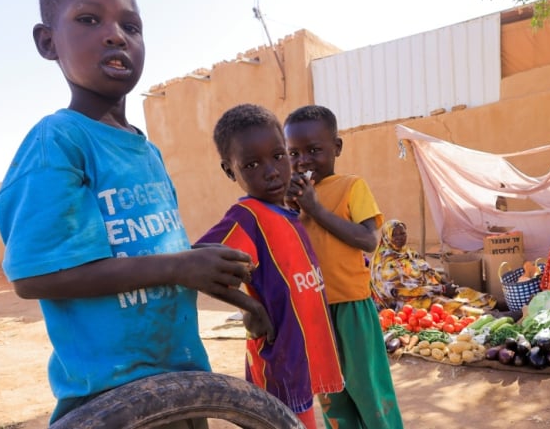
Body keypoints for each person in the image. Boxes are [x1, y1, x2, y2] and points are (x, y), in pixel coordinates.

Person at [0, 0, 271, 425]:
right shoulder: (58, 142)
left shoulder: (146, 152)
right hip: (111, 397)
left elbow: (159, 260)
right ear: (48, 42)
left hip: (182, 381)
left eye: (131, 25)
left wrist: (239, 295)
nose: (115, 34)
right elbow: (34, 277)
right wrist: (181, 265)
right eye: (89, 19)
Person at [196, 104, 344, 428]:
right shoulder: (248, 216)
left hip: (300, 355)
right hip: (281, 361)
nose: (272, 171)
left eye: (279, 156)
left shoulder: (287, 212)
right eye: (251, 164)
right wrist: (251, 307)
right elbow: (195, 261)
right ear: (229, 170)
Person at [284, 105, 404, 429]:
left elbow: (368, 240)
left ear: (336, 148)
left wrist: (315, 209)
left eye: (314, 150)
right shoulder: (289, 199)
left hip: (351, 306)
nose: (303, 160)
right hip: (312, 311)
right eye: (293, 153)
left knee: (368, 389)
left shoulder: (353, 186)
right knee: (330, 392)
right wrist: (291, 211)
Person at [370, 219, 495, 316]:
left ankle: (494, 306)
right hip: (402, 304)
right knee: (442, 304)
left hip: (428, 291)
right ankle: (490, 315)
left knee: (464, 292)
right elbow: (400, 291)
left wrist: (443, 282)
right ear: (387, 237)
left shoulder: (408, 252)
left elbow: (427, 270)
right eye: (395, 235)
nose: (399, 237)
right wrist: (441, 289)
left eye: (402, 233)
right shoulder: (384, 262)